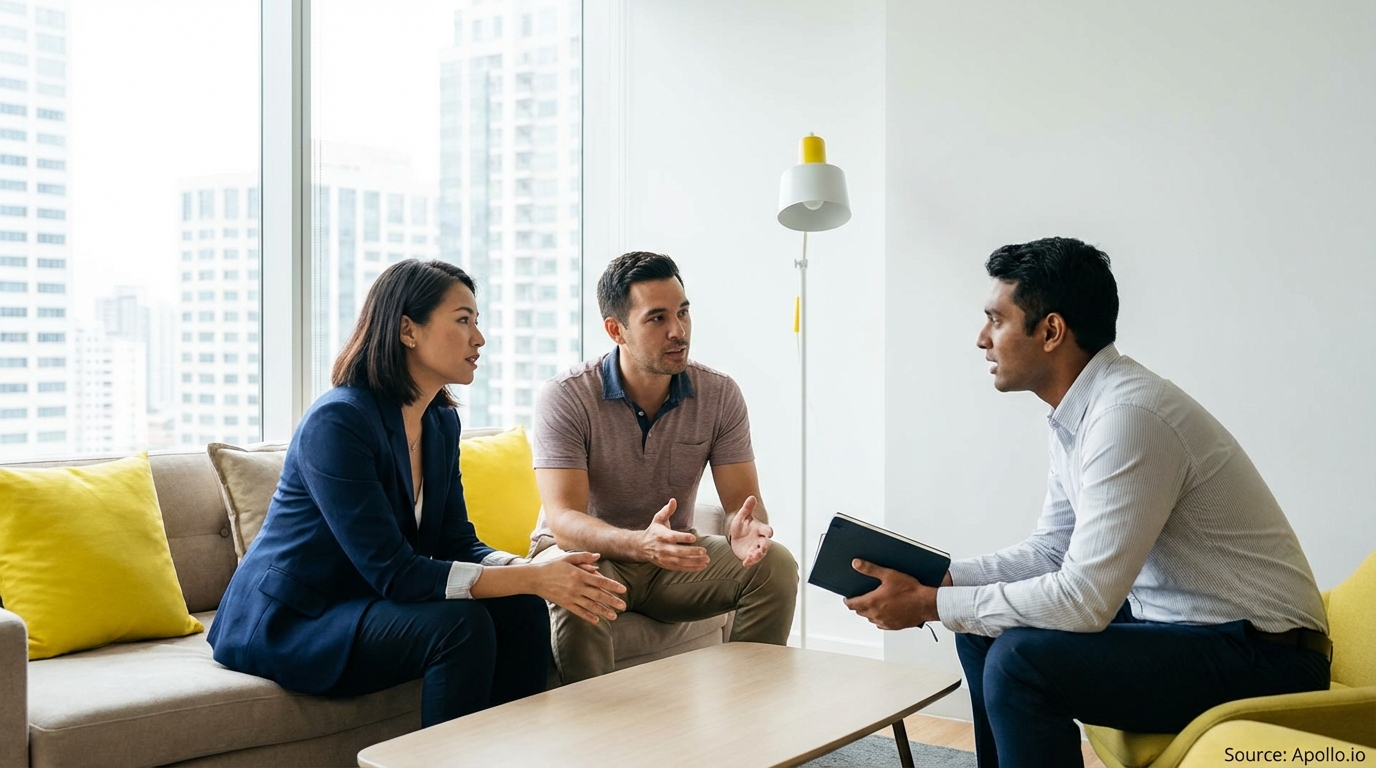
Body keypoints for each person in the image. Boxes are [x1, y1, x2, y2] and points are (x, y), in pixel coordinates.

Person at [842, 238, 1330, 767]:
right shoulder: (1079, 415)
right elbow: (1053, 552)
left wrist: (929, 604)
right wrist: (940, 578)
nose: (982, 339)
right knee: (983, 636)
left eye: (996, 320)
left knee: (1019, 660)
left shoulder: (1129, 417)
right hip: (1186, 631)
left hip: (1266, 657)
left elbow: (1084, 599)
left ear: (1050, 330)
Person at [208, 259, 627, 726]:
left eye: (477, 321)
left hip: (367, 603)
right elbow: (394, 572)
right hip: (296, 619)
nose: (479, 338)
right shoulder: (339, 422)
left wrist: (533, 569)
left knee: (523, 608)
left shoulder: (440, 422)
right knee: (459, 628)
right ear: (408, 330)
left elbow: (457, 541)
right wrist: (532, 578)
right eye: (463, 320)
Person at [529, 251, 798, 684]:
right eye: (657, 318)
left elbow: (741, 504)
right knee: (582, 578)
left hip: (669, 563)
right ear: (616, 329)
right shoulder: (567, 397)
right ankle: (596, 740)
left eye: (684, 312)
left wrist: (743, 529)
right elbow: (563, 522)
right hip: (590, 557)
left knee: (776, 567)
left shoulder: (719, 394)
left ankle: (751, 724)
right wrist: (641, 544)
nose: (679, 331)